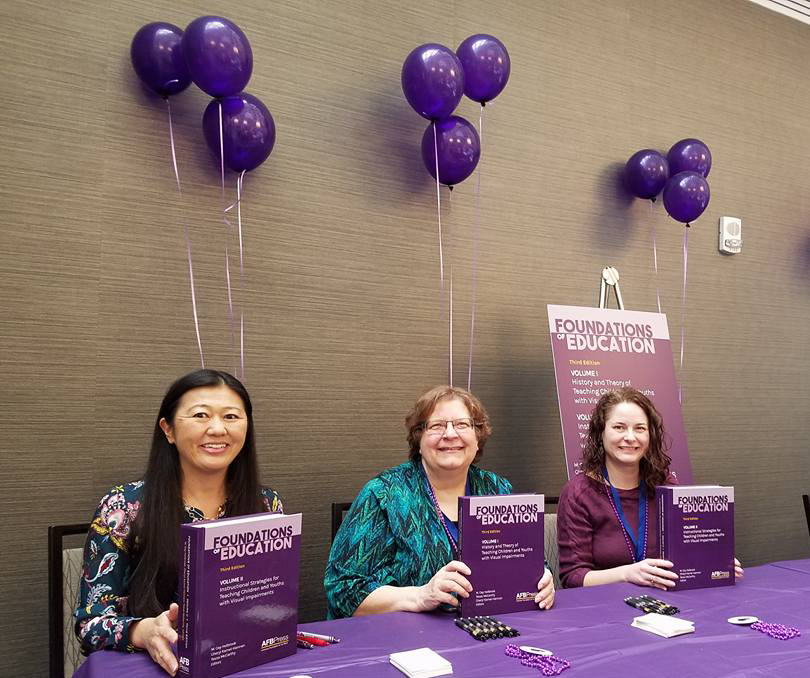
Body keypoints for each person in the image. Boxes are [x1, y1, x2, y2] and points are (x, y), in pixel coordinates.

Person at [75, 369, 282, 675]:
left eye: (231, 417)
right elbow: (89, 623)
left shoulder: (266, 505)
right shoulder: (123, 508)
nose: (217, 429)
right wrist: (142, 631)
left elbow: (271, 603)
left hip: (242, 664)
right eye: (200, 415)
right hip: (155, 666)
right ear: (168, 429)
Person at [324, 385, 554, 618]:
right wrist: (419, 596)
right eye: (437, 426)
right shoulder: (384, 495)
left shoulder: (497, 489)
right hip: (405, 641)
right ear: (418, 439)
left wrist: (543, 579)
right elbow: (342, 589)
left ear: (478, 438)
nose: (450, 434)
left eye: (462, 425)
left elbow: (531, 561)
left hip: (489, 628)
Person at [557, 386, 743, 588]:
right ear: (600, 433)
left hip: (663, 603)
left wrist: (712, 561)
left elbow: (687, 550)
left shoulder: (665, 485)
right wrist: (627, 573)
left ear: (650, 435)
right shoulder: (578, 493)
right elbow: (573, 578)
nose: (630, 437)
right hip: (604, 608)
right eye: (619, 427)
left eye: (640, 428)